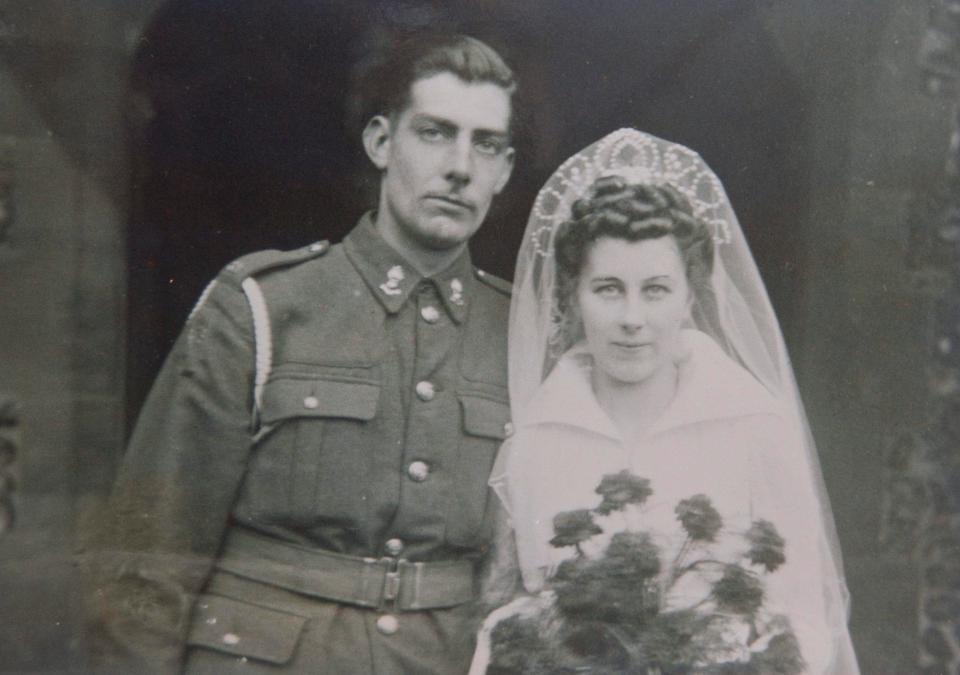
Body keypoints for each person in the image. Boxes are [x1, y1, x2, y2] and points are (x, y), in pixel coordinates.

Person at [89, 33, 516, 674]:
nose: (460, 166)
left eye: (485, 144)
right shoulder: (263, 306)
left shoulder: (519, 332)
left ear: (505, 171)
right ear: (380, 142)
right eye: (434, 132)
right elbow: (147, 564)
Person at [470, 129, 859, 673]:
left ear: (688, 295)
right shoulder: (537, 441)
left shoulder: (754, 427)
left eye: (655, 289)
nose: (633, 318)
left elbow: (807, 618)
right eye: (608, 288)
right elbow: (516, 619)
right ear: (572, 296)